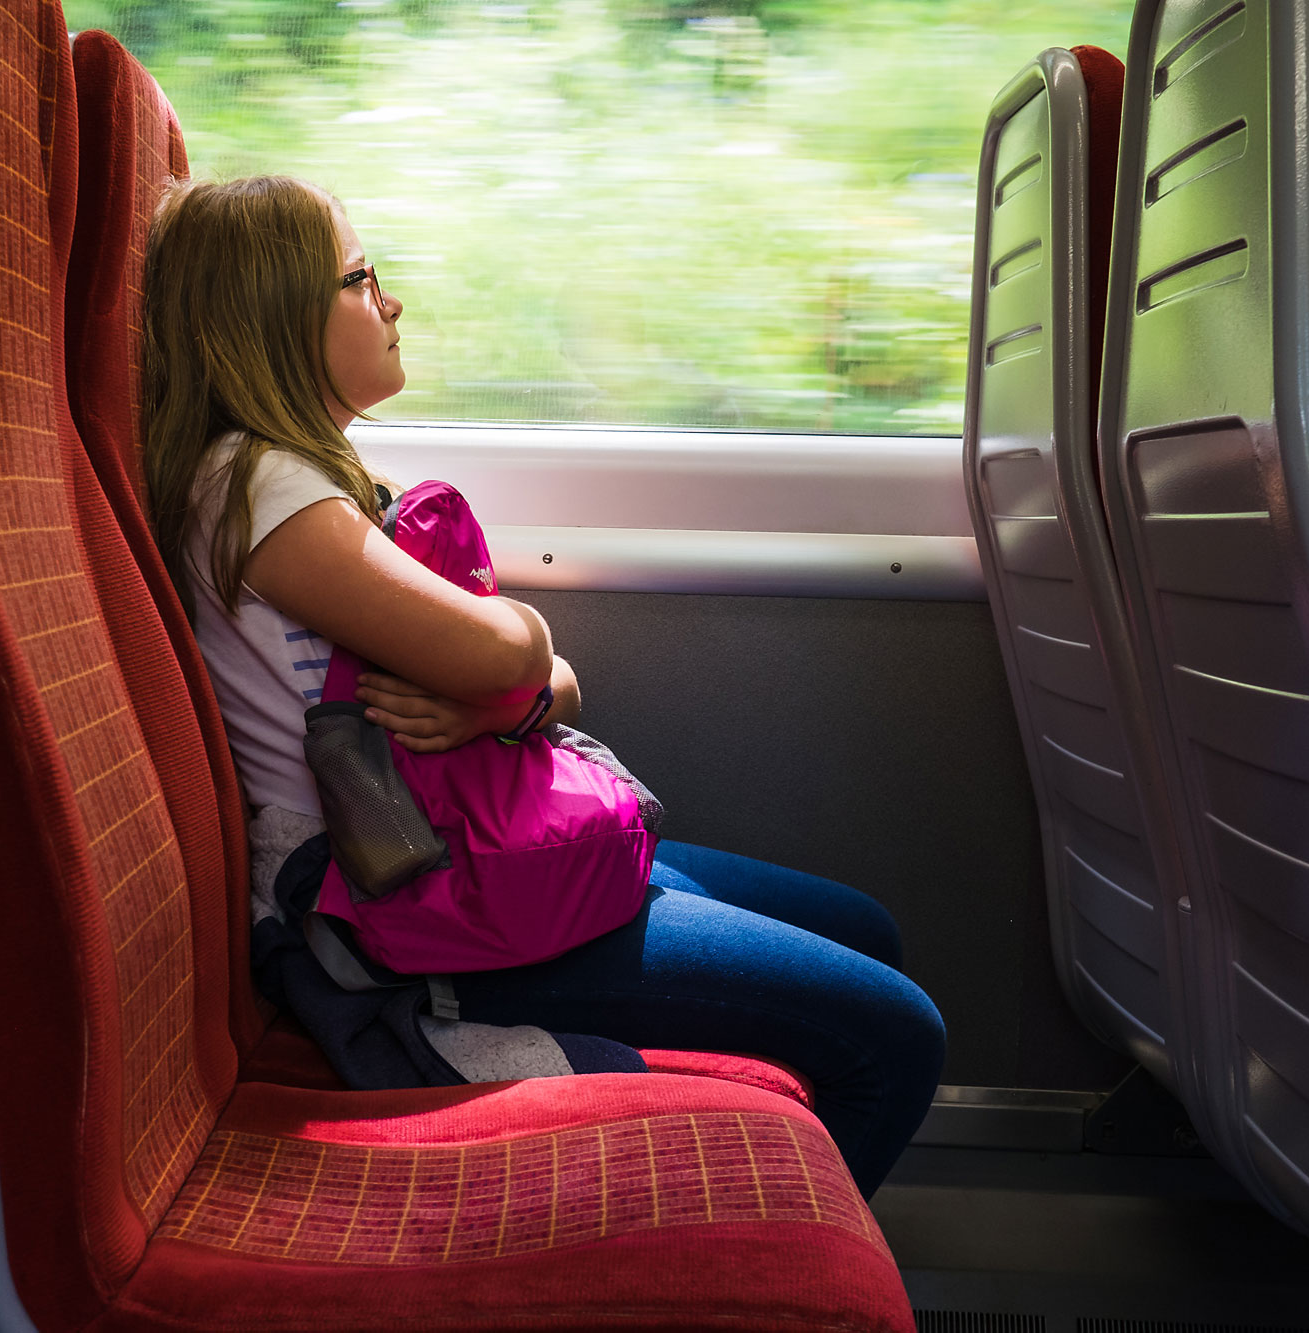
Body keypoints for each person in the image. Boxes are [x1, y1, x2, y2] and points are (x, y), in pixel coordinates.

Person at [141, 173, 945, 1196]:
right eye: (360, 277)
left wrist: (503, 693)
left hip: (469, 848)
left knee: (864, 929)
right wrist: (509, 676)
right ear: (275, 315)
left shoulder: (314, 479)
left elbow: (546, 687)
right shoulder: (256, 489)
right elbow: (519, 656)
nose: (391, 303)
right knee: (897, 1039)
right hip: (407, 905)